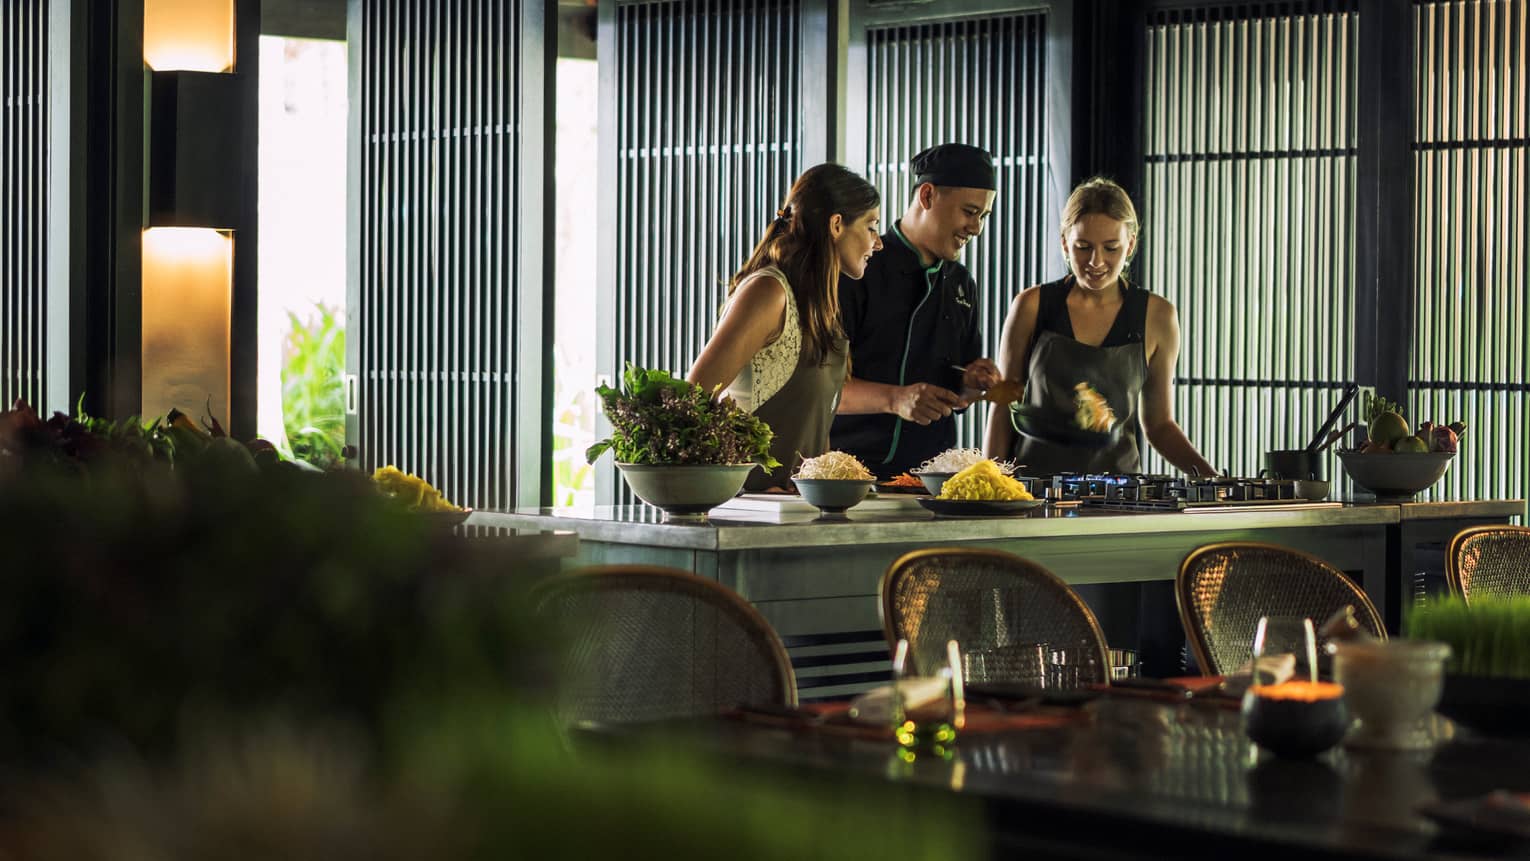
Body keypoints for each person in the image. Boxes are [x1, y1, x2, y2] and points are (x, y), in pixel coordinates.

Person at [983, 176, 1216, 476]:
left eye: (1111, 248)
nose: (1096, 261)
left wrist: (1214, 481)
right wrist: (990, 486)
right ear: (1065, 243)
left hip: (1120, 496)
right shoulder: (1031, 305)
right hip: (1034, 491)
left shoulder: (1158, 316)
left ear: (1130, 244)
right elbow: (1004, 404)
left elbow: (1159, 425)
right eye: (1083, 247)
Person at [687, 163, 883, 491]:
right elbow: (691, 400)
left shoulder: (820, 304)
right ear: (837, 224)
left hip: (798, 512)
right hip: (747, 515)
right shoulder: (769, 292)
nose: (878, 243)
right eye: (871, 227)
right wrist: (747, 485)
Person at [829, 144, 1003, 479]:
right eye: (969, 212)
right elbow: (819, 387)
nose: (977, 228)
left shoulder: (962, 284)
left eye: (983, 216)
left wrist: (971, 384)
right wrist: (895, 399)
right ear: (927, 196)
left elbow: (959, 388)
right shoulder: (858, 268)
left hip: (930, 479)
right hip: (848, 474)